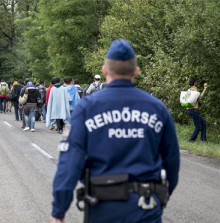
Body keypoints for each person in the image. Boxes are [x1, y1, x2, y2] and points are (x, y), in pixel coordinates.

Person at [50, 40, 180, 223]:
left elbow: (69, 162)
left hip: (103, 208)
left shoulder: (87, 108)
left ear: (105, 70)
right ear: (136, 71)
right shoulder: (156, 108)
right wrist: (161, 198)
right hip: (146, 207)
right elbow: (172, 163)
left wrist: (59, 210)